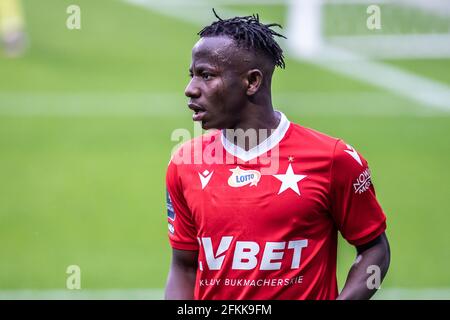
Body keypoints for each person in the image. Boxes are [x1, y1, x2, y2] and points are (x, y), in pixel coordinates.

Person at [164, 10, 390, 300]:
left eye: (206, 75)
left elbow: (374, 249)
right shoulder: (185, 164)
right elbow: (184, 267)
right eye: (192, 75)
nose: (190, 89)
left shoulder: (334, 159)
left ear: (252, 82)